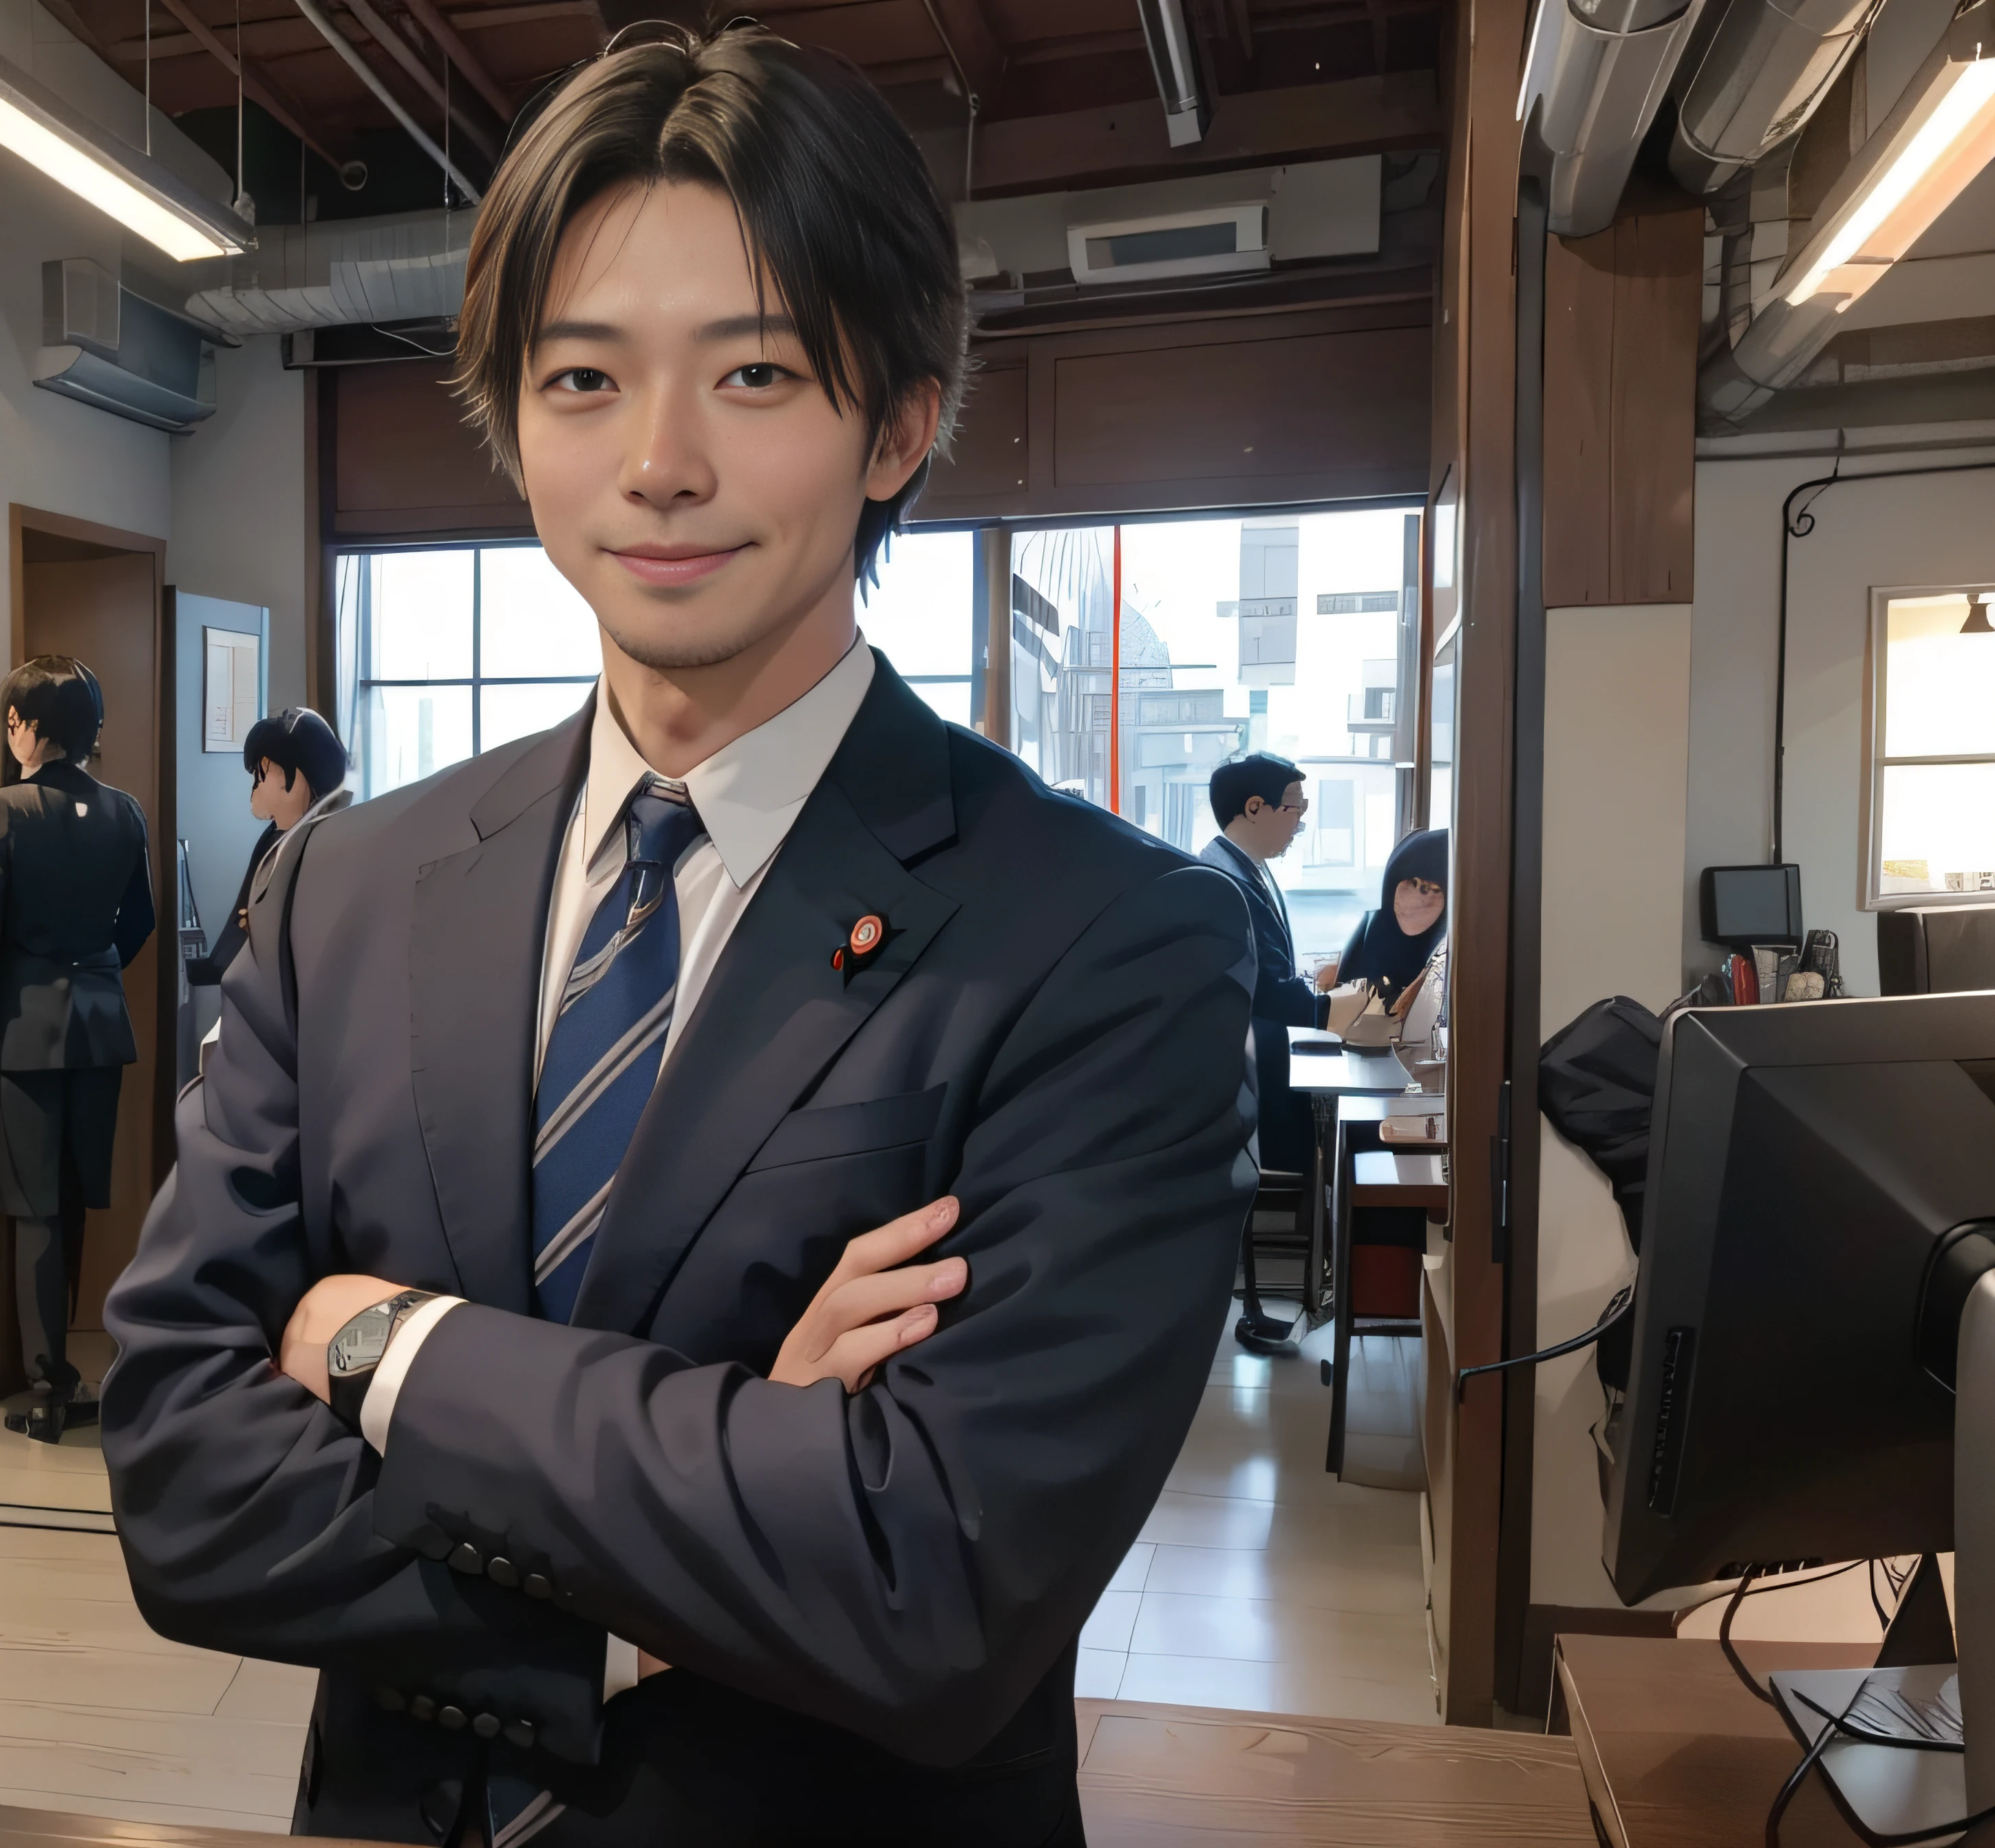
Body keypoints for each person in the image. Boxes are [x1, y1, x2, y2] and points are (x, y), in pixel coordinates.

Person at [101, 28, 1257, 1847]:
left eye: (756, 372)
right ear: (509, 418)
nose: (656, 460)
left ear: (899, 421)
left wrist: (386, 1345)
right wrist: (709, 1517)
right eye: (580, 377)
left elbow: (926, 1578)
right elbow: (177, 1466)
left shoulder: (1106, 939)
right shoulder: (351, 882)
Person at [0, 656, 154, 1444]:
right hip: (100, 1029)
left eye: (13, 721)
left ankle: (45, 1390)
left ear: (32, 729)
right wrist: (91, 972)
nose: (9, 735)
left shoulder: (0, 810)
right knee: (69, 1203)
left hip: (23, 1034)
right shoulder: (125, 812)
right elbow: (137, 923)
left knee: (33, 1209)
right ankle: (62, 1377)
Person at [1198, 752, 1325, 1353]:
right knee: (1245, 1188)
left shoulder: (1246, 867)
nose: (1300, 823)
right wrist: (1326, 1007)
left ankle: (1259, 1304)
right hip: (1239, 1063)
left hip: (1257, 1055)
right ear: (1255, 808)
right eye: (1295, 809)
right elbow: (1267, 986)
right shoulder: (1221, 879)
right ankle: (1250, 1308)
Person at [184, 706, 348, 991]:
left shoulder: (323, 845)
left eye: (261, 777)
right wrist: (208, 968)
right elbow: (242, 920)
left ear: (295, 779)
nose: (254, 790)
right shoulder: (275, 840)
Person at [1318, 826, 1447, 1011]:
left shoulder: (1436, 952)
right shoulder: (1378, 930)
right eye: (1416, 884)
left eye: (1433, 889)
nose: (1421, 897)